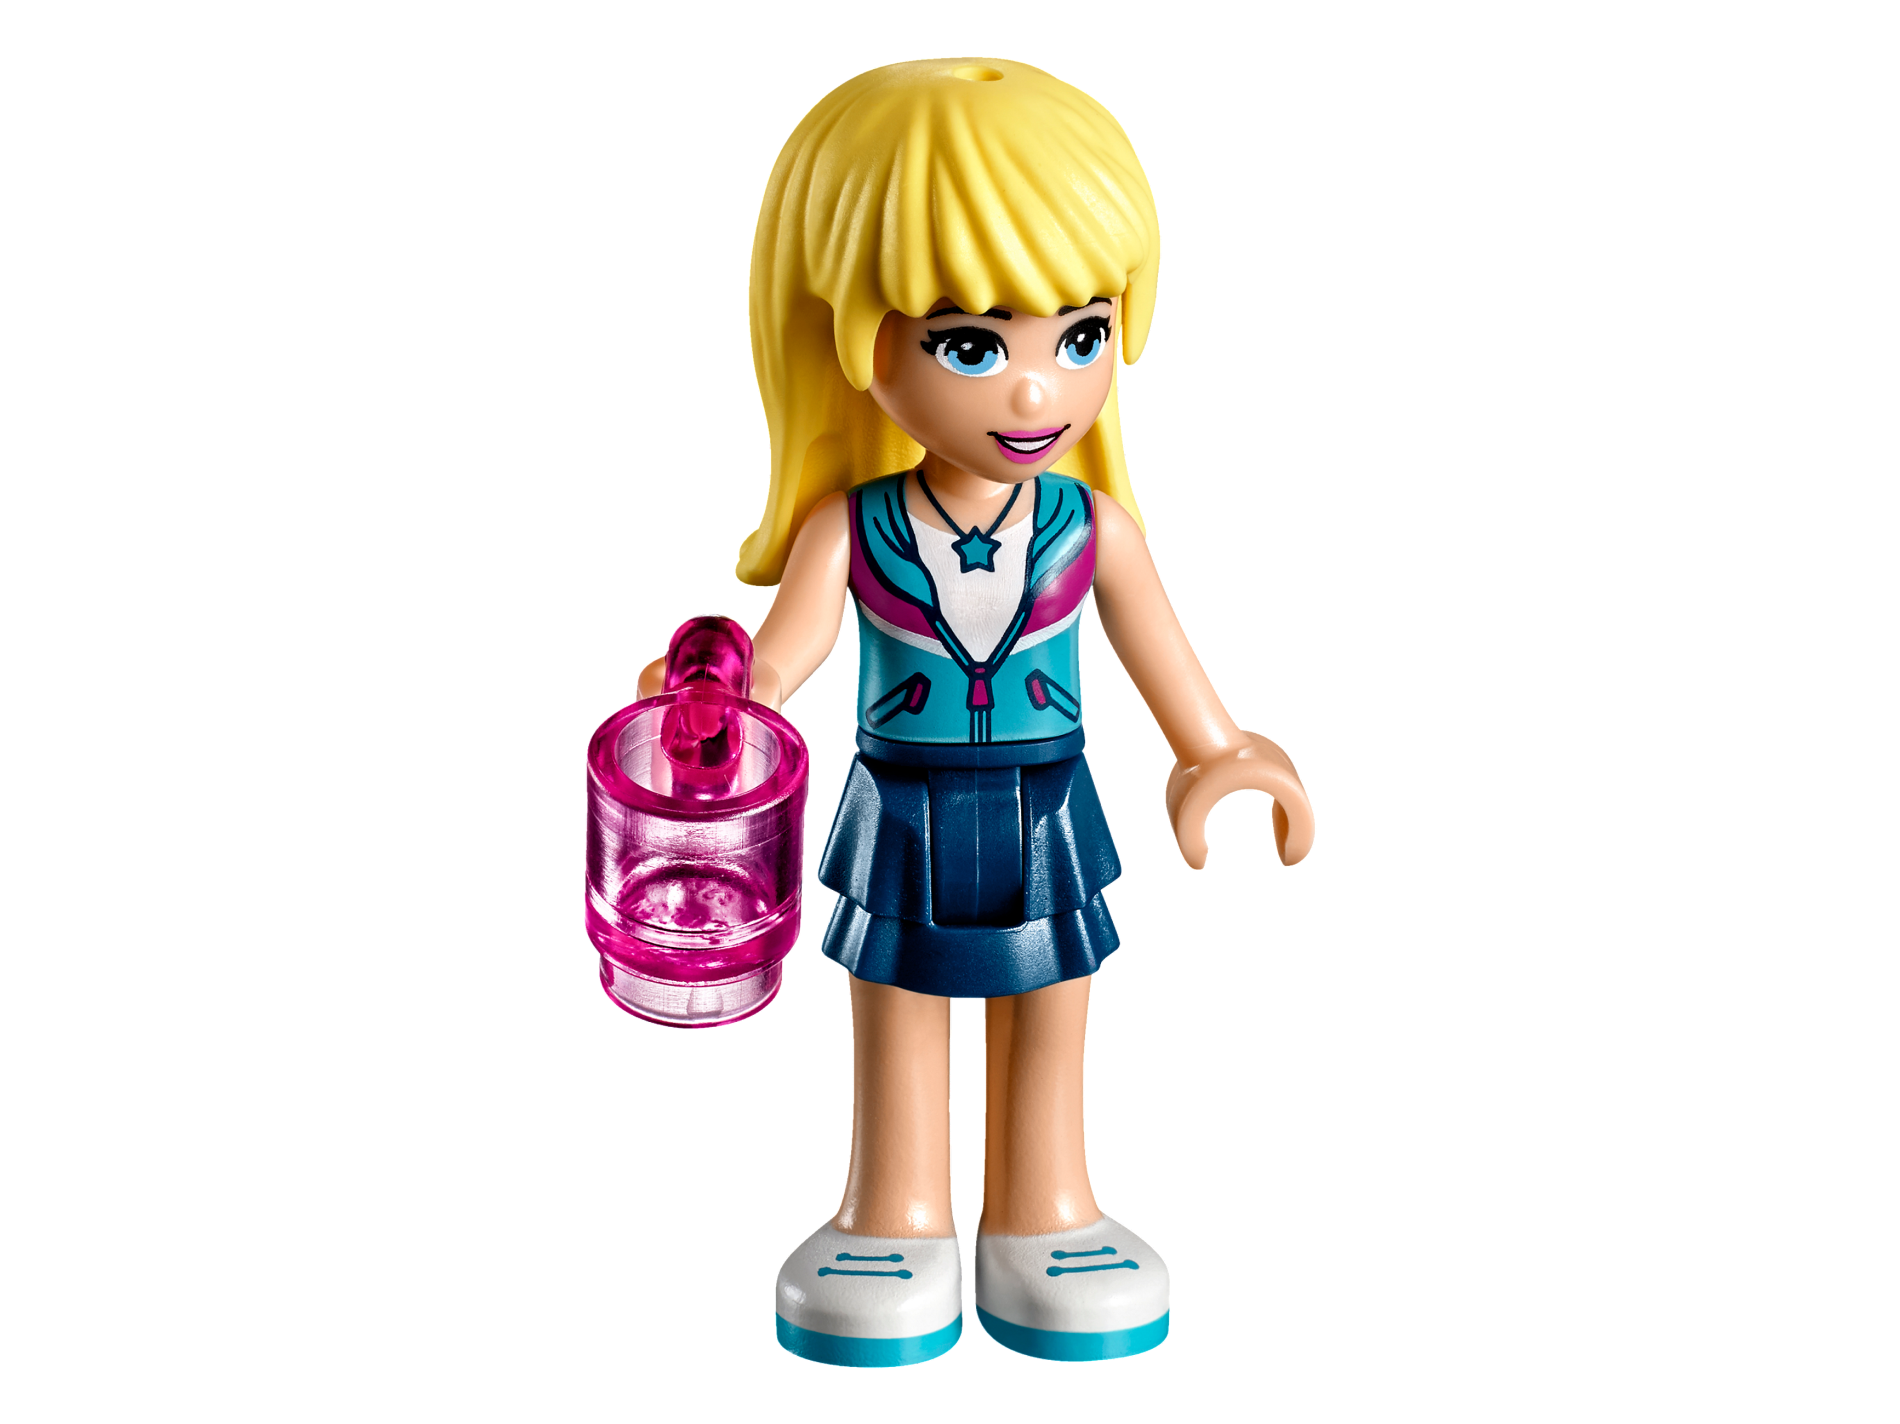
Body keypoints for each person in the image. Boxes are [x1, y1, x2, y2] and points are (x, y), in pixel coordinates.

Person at [639, 57, 1314, 1366]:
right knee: (896, 995)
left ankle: (1044, 1208)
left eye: (1082, 336)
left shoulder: (1090, 526)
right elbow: (781, 659)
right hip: (900, 800)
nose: (1035, 390)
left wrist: (1218, 752)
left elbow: (1161, 651)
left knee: (1052, 994)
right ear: (854, 341)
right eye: (971, 344)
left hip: (1048, 799)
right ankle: (892, 1212)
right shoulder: (853, 528)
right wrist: (708, 707)